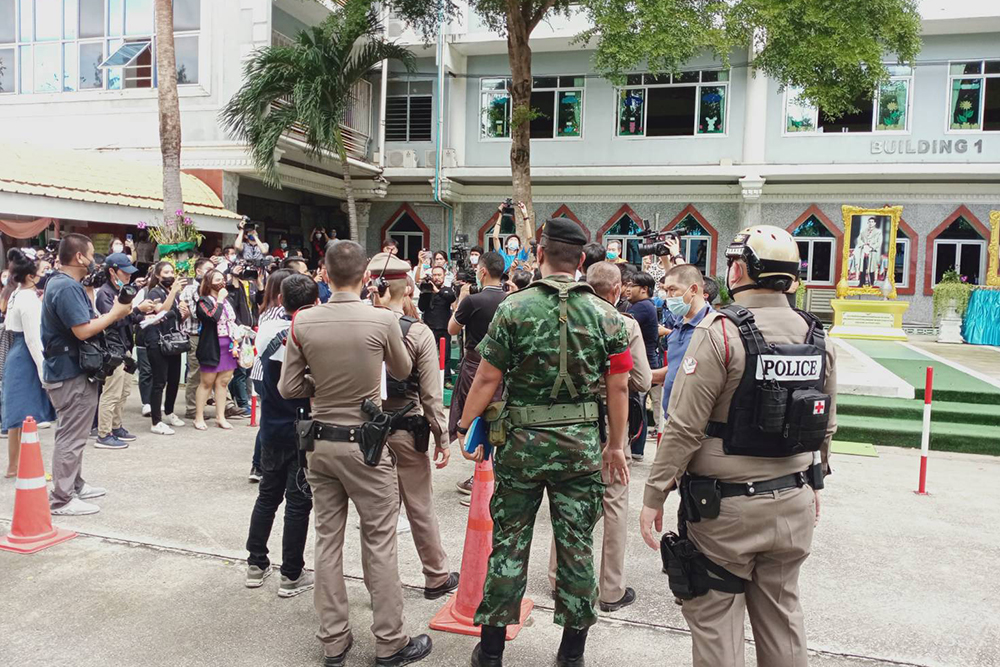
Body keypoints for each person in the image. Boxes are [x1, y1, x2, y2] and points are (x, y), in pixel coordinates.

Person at [640, 225, 836, 667]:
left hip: (725, 512)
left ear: (741, 269)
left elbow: (684, 428)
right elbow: (825, 423)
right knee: (783, 622)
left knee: (715, 625)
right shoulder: (816, 335)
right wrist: (816, 483)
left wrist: (654, 495)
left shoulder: (720, 332)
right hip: (794, 500)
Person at [456, 218, 632, 667]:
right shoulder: (609, 315)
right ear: (580, 262)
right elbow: (620, 387)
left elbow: (488, 376)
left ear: (540, 254)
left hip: (521, 447)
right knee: (577, 546)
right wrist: (615, 445)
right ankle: (572, 654)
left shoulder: (514, 309)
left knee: (509, 543)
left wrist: (463, 426)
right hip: (581, 450)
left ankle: (492, 650)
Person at [279, 240, 432, 667]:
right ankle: (389, 641)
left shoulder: (303, 321)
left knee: (327, 540)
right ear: (366, 276)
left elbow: (288, 388)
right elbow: (403, 371)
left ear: (323, 274)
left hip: (320, 443)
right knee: (379, 540)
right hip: (365, 444)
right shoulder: (382, 319)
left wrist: (320, 385)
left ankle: (333, 641)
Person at [545, 261, 651, 613]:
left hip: (569, 426)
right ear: (618, 289)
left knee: (569, 502)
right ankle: (610, 589)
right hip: (610, 428)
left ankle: (559, 578)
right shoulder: (624, 323)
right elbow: (640, 380)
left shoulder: (561, 318)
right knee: (614, 503)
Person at [367, 252, 459, 599]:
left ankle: (381, 587)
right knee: (420, 506)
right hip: (407, 428)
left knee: (377, 516)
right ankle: (436, 575)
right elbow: (432, 394)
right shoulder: (417, 332)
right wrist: (442, 437)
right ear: (406, 288)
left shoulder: (358, 324)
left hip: (366, 432)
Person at [41, 233, 133, 516]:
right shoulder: (65, 287)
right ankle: (62, 498)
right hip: (69, 372)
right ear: (80, 257)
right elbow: (83, 330)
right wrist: (116, 313)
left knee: (74, 433)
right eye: (92, 254)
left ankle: (74, 485)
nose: (95, 259)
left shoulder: (64, 284)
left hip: (69, 369)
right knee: (71, 435)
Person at [244, 272, 315, 597]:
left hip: (271, 425)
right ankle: (291, 574)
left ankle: (256, 564)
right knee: (298, 501)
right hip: (301, 427)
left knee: (267, 496)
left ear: (280, 300)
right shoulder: (310, 333)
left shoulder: (267, 328)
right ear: (315, 302)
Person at [447, 251, 506, 500]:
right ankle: (495, 475)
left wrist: (461, 299)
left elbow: (452, 329)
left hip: (475, 365)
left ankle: (481, 475)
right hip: (503, 367)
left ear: (482, 272)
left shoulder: (472, 301)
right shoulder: (510, 300)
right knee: (497, 416)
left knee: (474, 418)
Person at [3, 249, 57, 476]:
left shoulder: (15, 293)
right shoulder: (29, 300)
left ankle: (13, 466)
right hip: (25, 355)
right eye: (42, 271)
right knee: (28, 414)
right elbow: (34, 340)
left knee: (16, 416)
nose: (45, 274)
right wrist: (44, 371)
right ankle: (28, 466)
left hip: (14, 353)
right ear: (30, 276)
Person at [94, 253, 154, 448]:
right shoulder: (104, 293)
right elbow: (113, 320)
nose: (128, 276)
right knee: (111, 393)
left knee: (123, 392)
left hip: (125, 348)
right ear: (112, 271)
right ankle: (104, 433)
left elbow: (127, 318)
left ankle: (116, 426)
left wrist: (145, 314)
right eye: (124, 272)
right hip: (113, 350)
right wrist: (137, 311)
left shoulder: (122, 292)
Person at [651, 265, 713, 425]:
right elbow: (677, 368)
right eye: (666, 290)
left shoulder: (713, 326)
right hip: (672, 418)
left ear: (693, 289)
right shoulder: (678, 324)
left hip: (696, 423)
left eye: (673, 290)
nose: (668, 296)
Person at [248, 268, 294, 481]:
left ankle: (260, 464)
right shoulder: (279, 313)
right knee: (271, 417)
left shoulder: (267, 310)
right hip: (271, 369)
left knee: (269, 415)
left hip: (261, 370)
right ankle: (259, 464)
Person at [142, 262, 188, 435]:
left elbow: (177, 317)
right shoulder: (154, 291)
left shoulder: (173, 294)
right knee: (159, 381)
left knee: (175, 379)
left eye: (172, 272)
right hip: (157, 340)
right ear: (158, 275)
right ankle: (156, 421)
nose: (170, 275)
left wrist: (184, 311)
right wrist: (174, 292)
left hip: (173, 340)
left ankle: (169, 411)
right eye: (166, 272)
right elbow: (160, 311)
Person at [194, 270, 239, 431]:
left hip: (229, 344)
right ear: (209, 283)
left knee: (223, 382)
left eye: (222, 279)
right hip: (212, 345)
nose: (221, 282)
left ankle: (221, 416)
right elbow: (213, 317)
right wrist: (219, 300)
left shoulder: (229, 300)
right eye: (217, 279)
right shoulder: (203, 301)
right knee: (207, 382)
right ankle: (198, 416)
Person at [626, 271, 662, 460]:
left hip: (644, 364)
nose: (627, 289)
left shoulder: (642, 307)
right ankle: (637, 449)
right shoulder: (644, 306)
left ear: (644, 289)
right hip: (647, 362)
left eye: (632, 285)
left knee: (637, 406)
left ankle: (636, 448)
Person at [179, 258, 215, 419]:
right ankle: (192, 409)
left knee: (212, 371)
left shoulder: (212, 289)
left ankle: (219, 404)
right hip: (195, 335)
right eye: (208, 269)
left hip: (211, 336)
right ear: (198, 271)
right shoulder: (191, 289)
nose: (211, 272)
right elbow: (196, 313)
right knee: (194, 373)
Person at [227, 262, 259, 416]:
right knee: (241, 370)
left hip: (252, 331)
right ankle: (242, 403)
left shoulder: (252, 285)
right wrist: (233, 275)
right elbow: (232, 295)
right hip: (239, 332)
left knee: (248, 368)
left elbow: (261, 298)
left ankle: (240, 397)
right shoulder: (233, 285)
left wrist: (258, 279)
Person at [417, 266, 456, 386]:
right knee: (428, 355)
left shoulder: (448, 290)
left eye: (439, 275)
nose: (437, 278)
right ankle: (428, 379)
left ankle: (447, 379)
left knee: (446, 356)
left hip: (444, 327)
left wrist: (437, 291)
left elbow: (451, 298)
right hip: (430, 327)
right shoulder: (427, 291)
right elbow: (421, 307)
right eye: (434, 275)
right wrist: (424, 292)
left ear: (444, 276)